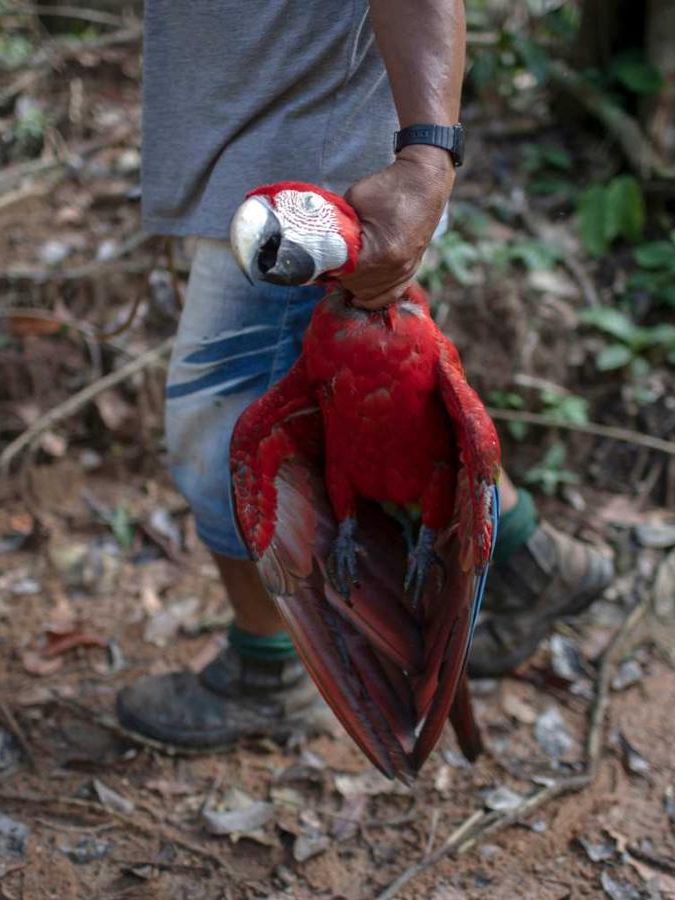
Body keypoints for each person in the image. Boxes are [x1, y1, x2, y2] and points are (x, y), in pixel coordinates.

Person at [116, 0, 614, 747]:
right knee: (381, 421)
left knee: (224, 440)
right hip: (261, 156)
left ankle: (271, 671)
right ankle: (529, 564)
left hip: (309, 180)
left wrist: (427, 157)